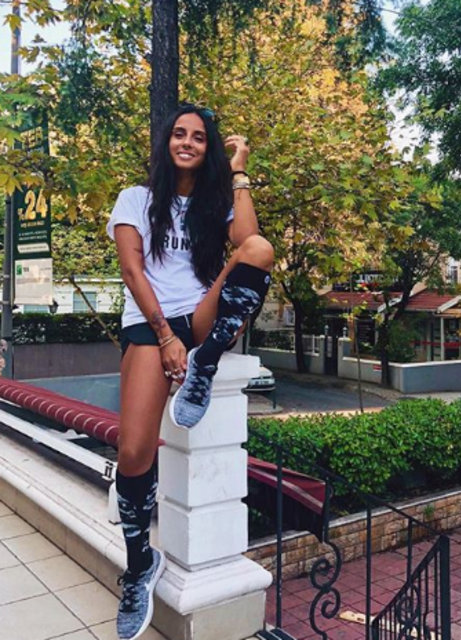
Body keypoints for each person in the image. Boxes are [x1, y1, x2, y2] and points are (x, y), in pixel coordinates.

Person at [106, 103, 274, 640]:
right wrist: (163, 336)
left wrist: (239, 170)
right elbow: (132, 269)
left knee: (261, 249)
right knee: (134, 451)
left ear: (208, 149)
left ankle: (207, 360)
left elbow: (248, 243)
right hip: (149, 322)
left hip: (199, 319)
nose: (187, 142)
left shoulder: (212, 204)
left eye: (199, 137)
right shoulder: (136, 198)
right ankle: (140, 565)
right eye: (179, 134)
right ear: (166, 142)